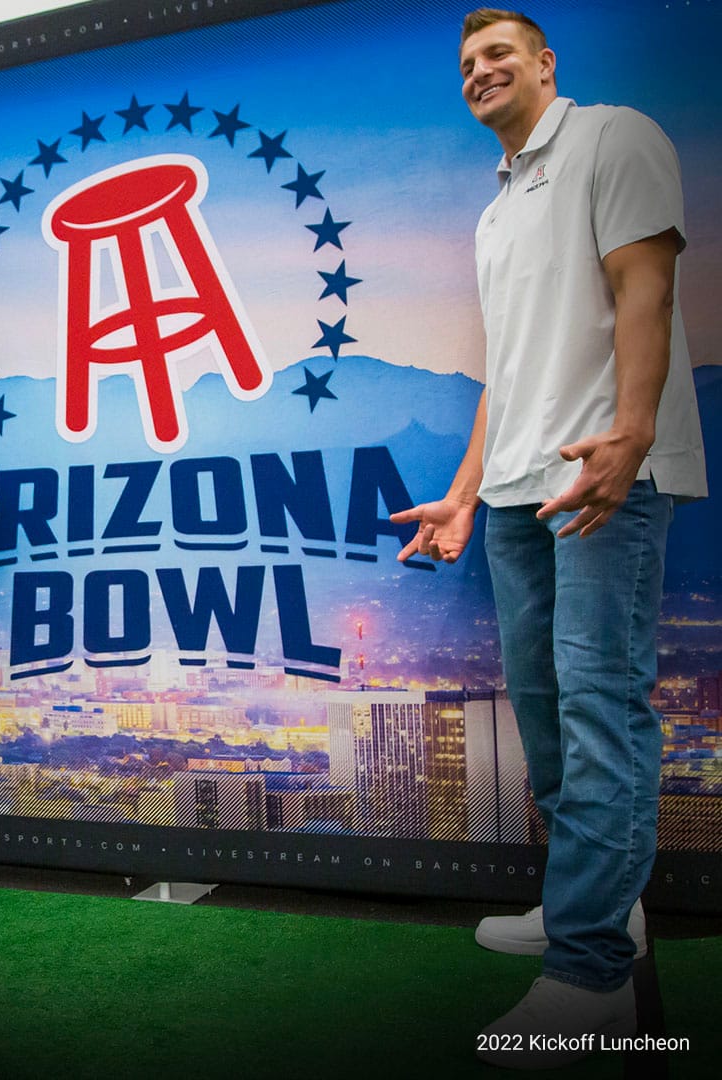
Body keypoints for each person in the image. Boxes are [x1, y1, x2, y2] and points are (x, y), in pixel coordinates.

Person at [390, 9, 707, 1070]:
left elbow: (645, 289)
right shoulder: (496, 209)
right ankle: (596, 911)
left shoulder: (615, 138)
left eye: (500, 57)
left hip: (602, 478)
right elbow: (506, 372)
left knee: (603, 704)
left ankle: (588, 981)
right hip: (520, 493)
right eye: (468, 64)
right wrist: (465, 493)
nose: (481, 72)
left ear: (545, 66)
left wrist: (634, 434)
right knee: (548, 713)